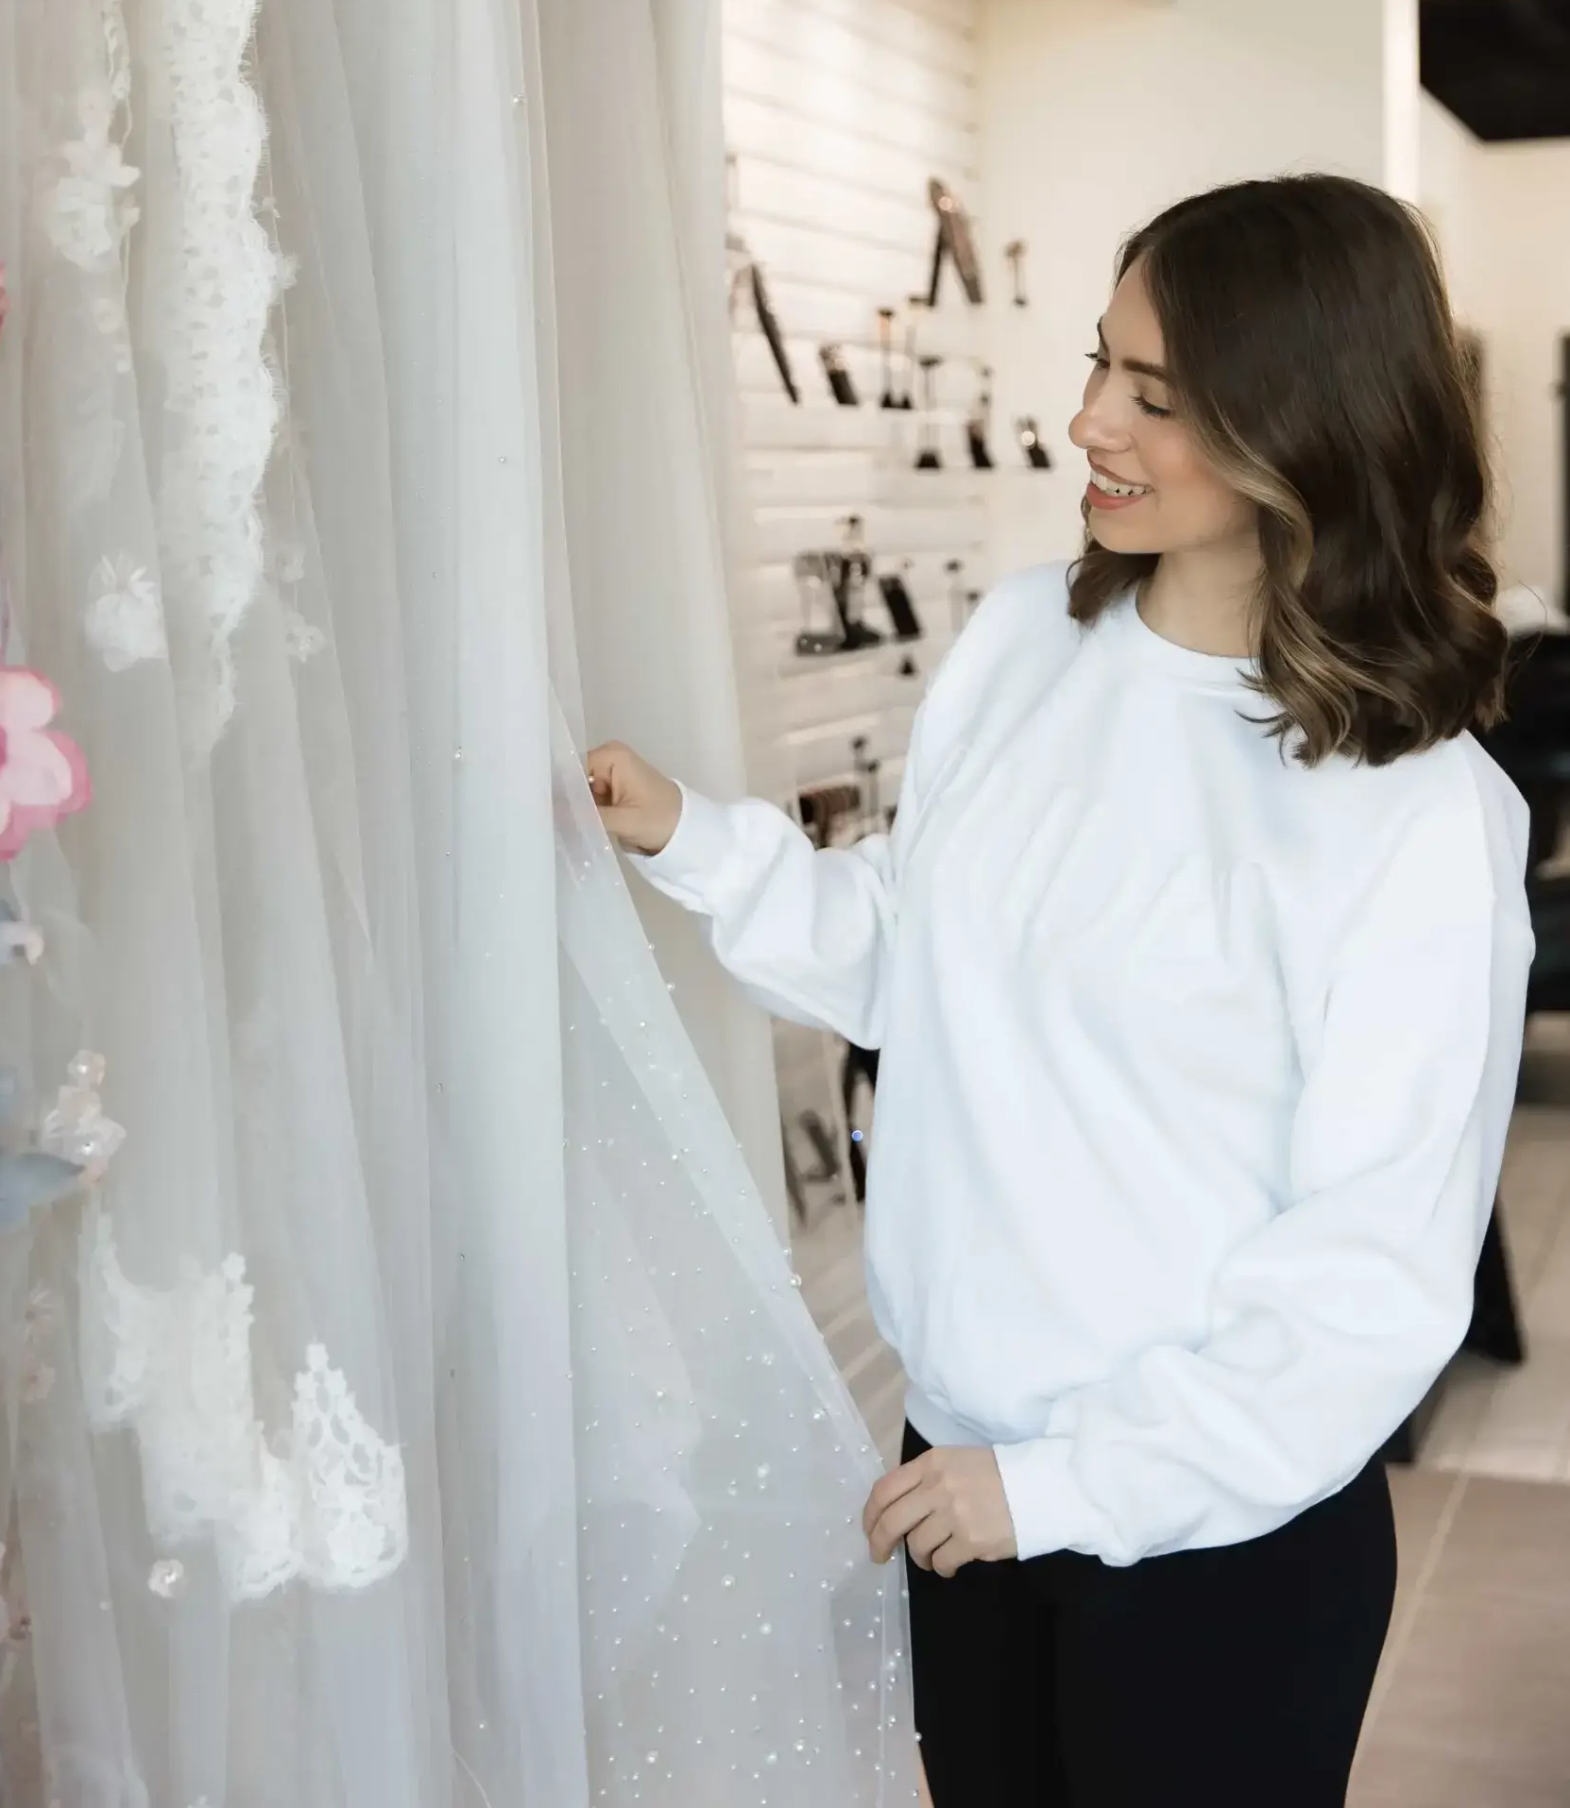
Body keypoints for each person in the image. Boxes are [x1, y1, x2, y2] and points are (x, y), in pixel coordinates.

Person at [589, 174, 1532, 1808]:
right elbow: (914, 949)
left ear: (1304, 426)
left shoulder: (1415, 811)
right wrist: (694, 843)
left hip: (1209, 1538)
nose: (1086, 417)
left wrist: (1067, 1483)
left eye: (1155, 395)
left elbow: (1370, 1280)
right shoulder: (1026, 640)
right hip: (963, 1474)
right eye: (1101, 362)